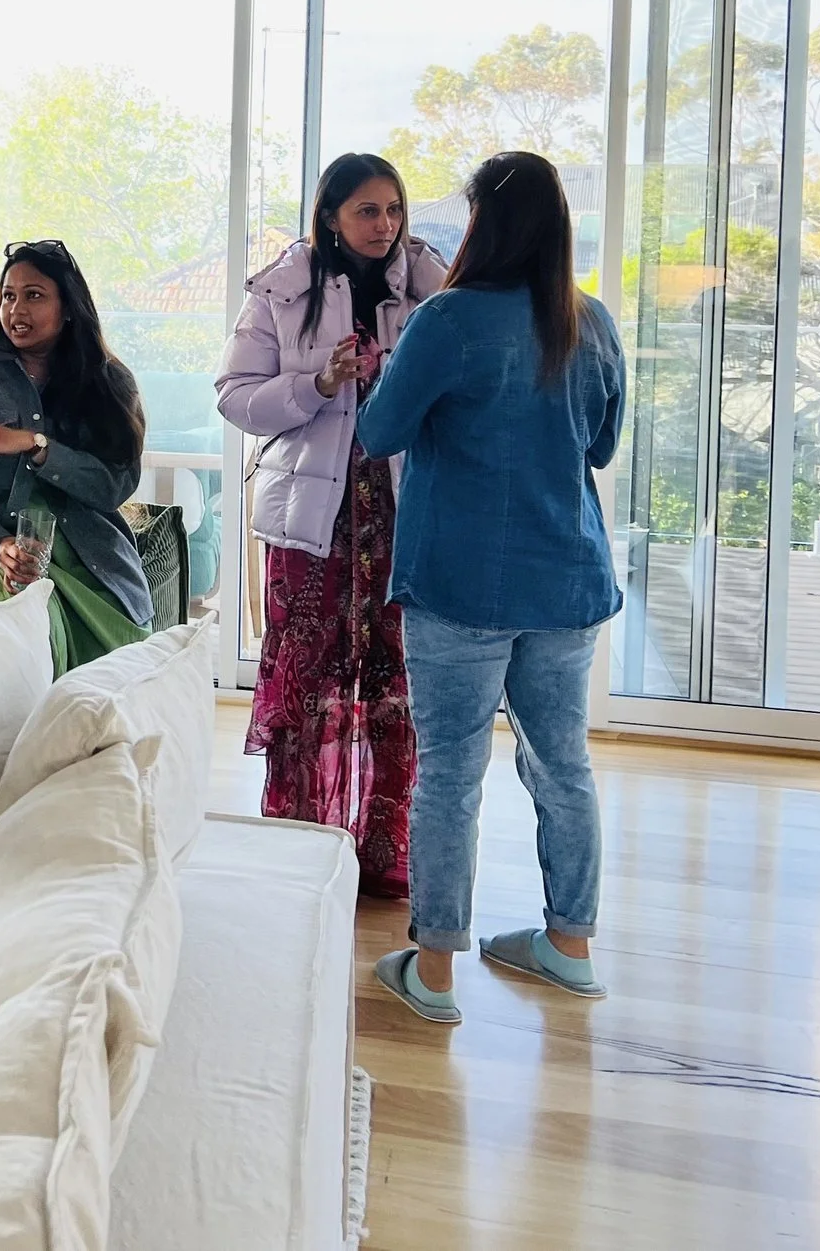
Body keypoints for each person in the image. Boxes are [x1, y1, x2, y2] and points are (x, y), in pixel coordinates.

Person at [354, 150, 626, 1027]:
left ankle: (433, 969)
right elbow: (601, 446)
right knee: (565, 764)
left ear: (483, 224)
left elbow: (380, 429)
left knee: (450, 774)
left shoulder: (447, 321)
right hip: (563, 579)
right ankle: (570, 947)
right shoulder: (591, 322)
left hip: (458, 583)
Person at [217, 152, 445, 900]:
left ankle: (386, 853)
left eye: (394, 209)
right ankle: (299, 839)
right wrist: (317, 383)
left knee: (394, 679)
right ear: (329, 217)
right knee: (309, 678)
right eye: (367, 211)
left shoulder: (431, 285)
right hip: (309, 519)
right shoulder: (283, 289)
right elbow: (236, 397)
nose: (385, 225)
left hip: (401, 509)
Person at [0, 240, 151, 675]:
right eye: (8, 295)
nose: (16, 310)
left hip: (83, 544)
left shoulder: (107, 380)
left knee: (126, 664)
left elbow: (113, 486)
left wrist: (33, 443)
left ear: (67, 307)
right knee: (27, 619)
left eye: (34, 295)